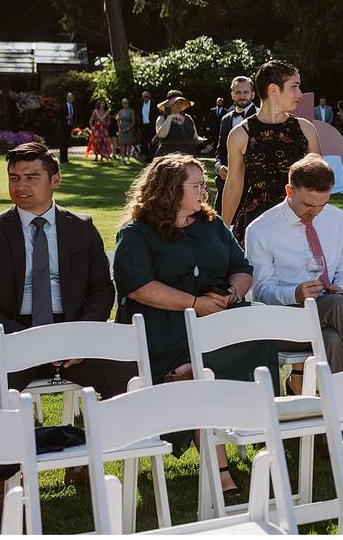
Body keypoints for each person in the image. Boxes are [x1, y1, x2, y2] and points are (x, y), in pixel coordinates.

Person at [0, 142, 138, 504]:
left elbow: (102, 289)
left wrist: (81, 337)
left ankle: (89, 456)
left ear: (55, 179)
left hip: (68, 329)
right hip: (7, 332)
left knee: (127, 374)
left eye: (30, 177)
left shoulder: (81, 228)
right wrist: (19, 339)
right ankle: (4, 478)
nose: (20, 185)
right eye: (13, 178)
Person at [113, 153, 278, 503]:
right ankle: (220, 469)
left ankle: (194, 375)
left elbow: (242, 266)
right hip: (163, 328)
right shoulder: (137, 233)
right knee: (202, 368)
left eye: (204, 184)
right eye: (197, 185)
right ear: (171, 190)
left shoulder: (212, 224)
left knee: (258, 325)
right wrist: (193, 304)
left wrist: (232, 294)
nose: (205, 191)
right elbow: (138, 286)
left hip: (218, 319)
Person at [244, 154, 343, 393]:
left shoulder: (336, 218)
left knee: (332, 337)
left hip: (330, 314)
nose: (316, 212)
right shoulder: (261, 229)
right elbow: (261, 291)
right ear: (290, 191)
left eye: (323, 203)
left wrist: (339, 288)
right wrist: (295, 294)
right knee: (337, 305)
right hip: (283, 321)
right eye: (309, 204)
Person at [221, 60, 321, 244]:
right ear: (273, 89)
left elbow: (320, 183)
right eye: (294, 86)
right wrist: (222, 231)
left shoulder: (305, 130)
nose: (299, 94)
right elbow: (234, 184)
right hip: (256, 222)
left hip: (300, 222)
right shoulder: (240, 134)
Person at [214, 76, 258, 211]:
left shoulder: (261, 117)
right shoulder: (226, 119)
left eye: (246, 92)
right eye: (238, 92)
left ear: (253, 94)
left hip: (253, 187)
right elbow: (220, 150)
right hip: (227, 184)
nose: (242, 96)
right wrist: (218, 166)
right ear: (232, 95)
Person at [154, 90, 204, 157]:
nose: (178, 105)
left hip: (188, 155)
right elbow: (161, 135)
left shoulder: (188, 118)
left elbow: (195, 137)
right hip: (167, 157)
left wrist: (204, 141)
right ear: (169, 105)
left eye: (180, 102)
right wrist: (170, 117)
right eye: (175, 102)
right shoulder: (162, 118)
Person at [85, 97, 114, 162]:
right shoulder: (95, 111)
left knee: (104, 142)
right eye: (101, 103)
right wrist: (91, 127)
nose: (102, 105)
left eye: (103, 103)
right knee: (96, 142)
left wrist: (106, 125)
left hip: (104, 130)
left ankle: (102, 156)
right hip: (96, 129)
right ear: (99, 104)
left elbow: (109, 121)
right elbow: (91, 120)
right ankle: (96, 156)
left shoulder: (107, 112)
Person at [137, 89, 157, 160]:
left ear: (149, 96)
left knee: (152, 142)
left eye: (147, 96)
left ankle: (152, 157)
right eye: (144, 96)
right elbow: (139, 115)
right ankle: (147, 157)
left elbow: (156, 115)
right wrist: (139, 126)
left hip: (151, 126)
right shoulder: (141, 104)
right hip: (144, 126)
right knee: (143, 142)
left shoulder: (153, 104)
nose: (146, 98)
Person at [116, 97, 137, 161]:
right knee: (122, 144)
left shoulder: (131, 111)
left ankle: (128, 158)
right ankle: (122, 158)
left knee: (128, 144)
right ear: (122, 104)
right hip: (122, 129)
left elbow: (133, 121)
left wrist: (128, 128)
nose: (126, 104)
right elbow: (118, 120)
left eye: (127, 103)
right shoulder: (120, 111)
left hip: (129, 129)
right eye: (125, 103)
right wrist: (120, 128)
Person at [58, 91, 76, 163]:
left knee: (67, 142)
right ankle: (62, 158)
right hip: (63, 127)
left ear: (73, 99)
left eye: (71, 98)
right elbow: (59, 116)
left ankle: (66, 158)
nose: (70, 99)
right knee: (62, 142)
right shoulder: (63, 106)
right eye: (69, 97)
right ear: (67, 98)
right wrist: (66, 117)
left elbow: (75, 116)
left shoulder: (74, 107)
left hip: (70, 126)